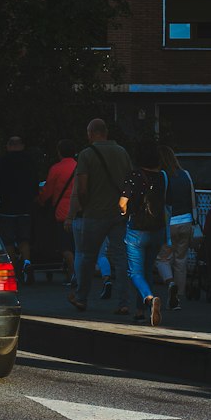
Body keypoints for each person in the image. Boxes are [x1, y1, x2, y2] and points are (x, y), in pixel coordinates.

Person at [67, 118, 130, 313]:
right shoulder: (122, 152)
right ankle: (123, 303)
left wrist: (84, 208)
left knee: (87, 256)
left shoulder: (87, 155)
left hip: (94, 213)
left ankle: (81, 298)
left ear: (92, 133)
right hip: (118, 214)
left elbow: (82, 188)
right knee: (120, 257)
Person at [118, 136, 168, 326]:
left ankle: (149, 298)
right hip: (157, 229)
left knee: (135, 272)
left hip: (137, 229)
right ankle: (141, 311)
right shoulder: (163, 176)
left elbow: (122, 203)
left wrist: (124, 211)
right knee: (148, 269)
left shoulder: (134, 175)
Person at [0, 135, 41, 281]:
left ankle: (13, 270)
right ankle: (27, 263)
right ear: (22, 145)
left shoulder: (2, 162)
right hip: (26, 207)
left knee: (8, 240)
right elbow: (35, 183)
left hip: (7, 208)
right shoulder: (30, 161)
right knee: (25, 239)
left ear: (8, 146)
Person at [158, 143, 196, 309]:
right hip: (186, 221)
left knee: (162, 258)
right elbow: (193, 199)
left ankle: (170, 284)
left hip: (169, 224)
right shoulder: (185, 175)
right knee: (181, 259)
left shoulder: (161, 176)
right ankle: (178, 295)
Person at [39, 141, 78, 284]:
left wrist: (41, 200)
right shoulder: (79, 167)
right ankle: (75, 273)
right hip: (79, 211)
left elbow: (48, 191)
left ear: (59, 152)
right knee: (76, 246)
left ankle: (73, 274)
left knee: (64, 246)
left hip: (62, 212)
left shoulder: (56, 168)